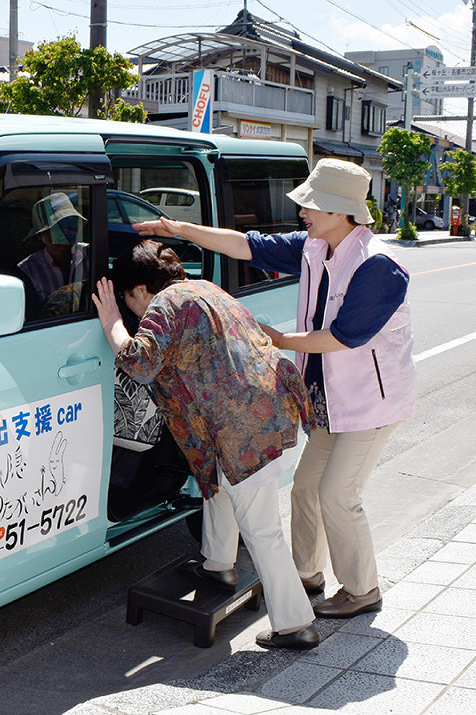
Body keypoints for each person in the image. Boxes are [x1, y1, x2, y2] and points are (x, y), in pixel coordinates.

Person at [133, 158, 416, 619]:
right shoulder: (315, 246)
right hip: (326, 399)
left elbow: (344, 337)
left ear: (341, 211)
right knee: (305, 489)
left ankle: (363, 589)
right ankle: (306, 576)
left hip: (371, 403)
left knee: (337, 495)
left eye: (312, 205)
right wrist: (180, 228)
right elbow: (247, 246)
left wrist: (279, 339)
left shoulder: (379, 266)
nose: (302, 211)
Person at [93, 239, 319, 650]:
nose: (132, 311)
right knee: (216, 487)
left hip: (245, 433)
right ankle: (218, 565)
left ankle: (296, 624)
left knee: (262, 529)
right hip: (261, 418)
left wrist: (111, 320)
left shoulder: (165, 302)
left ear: (141, 289)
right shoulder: (207, 288)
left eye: (128, 300)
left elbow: (139, 361)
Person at [17, 192, 89, 313]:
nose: (66, 234)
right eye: (57, 229)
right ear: (41, 236)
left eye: (71, 226)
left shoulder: (89, 255)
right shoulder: (27, 270)